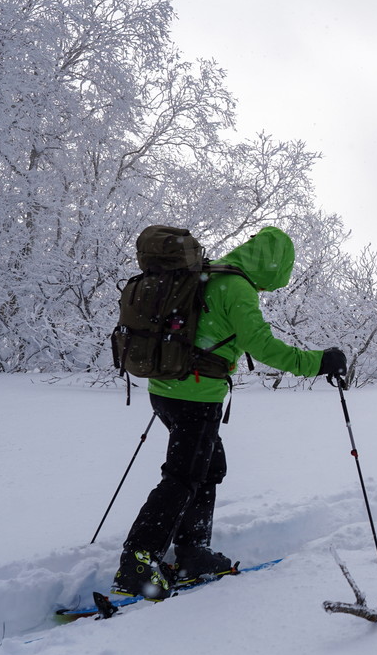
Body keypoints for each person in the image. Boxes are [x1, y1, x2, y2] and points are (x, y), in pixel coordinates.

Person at [112, 226, 347, 600]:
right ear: (273, 265)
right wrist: (319, 362)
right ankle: (138, 563)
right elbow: (263, 346)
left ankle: (193, 551)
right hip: (197, 395)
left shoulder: (209, 274)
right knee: (183, 476)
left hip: (166, 389)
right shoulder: (236, 288)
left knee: (207, 467)